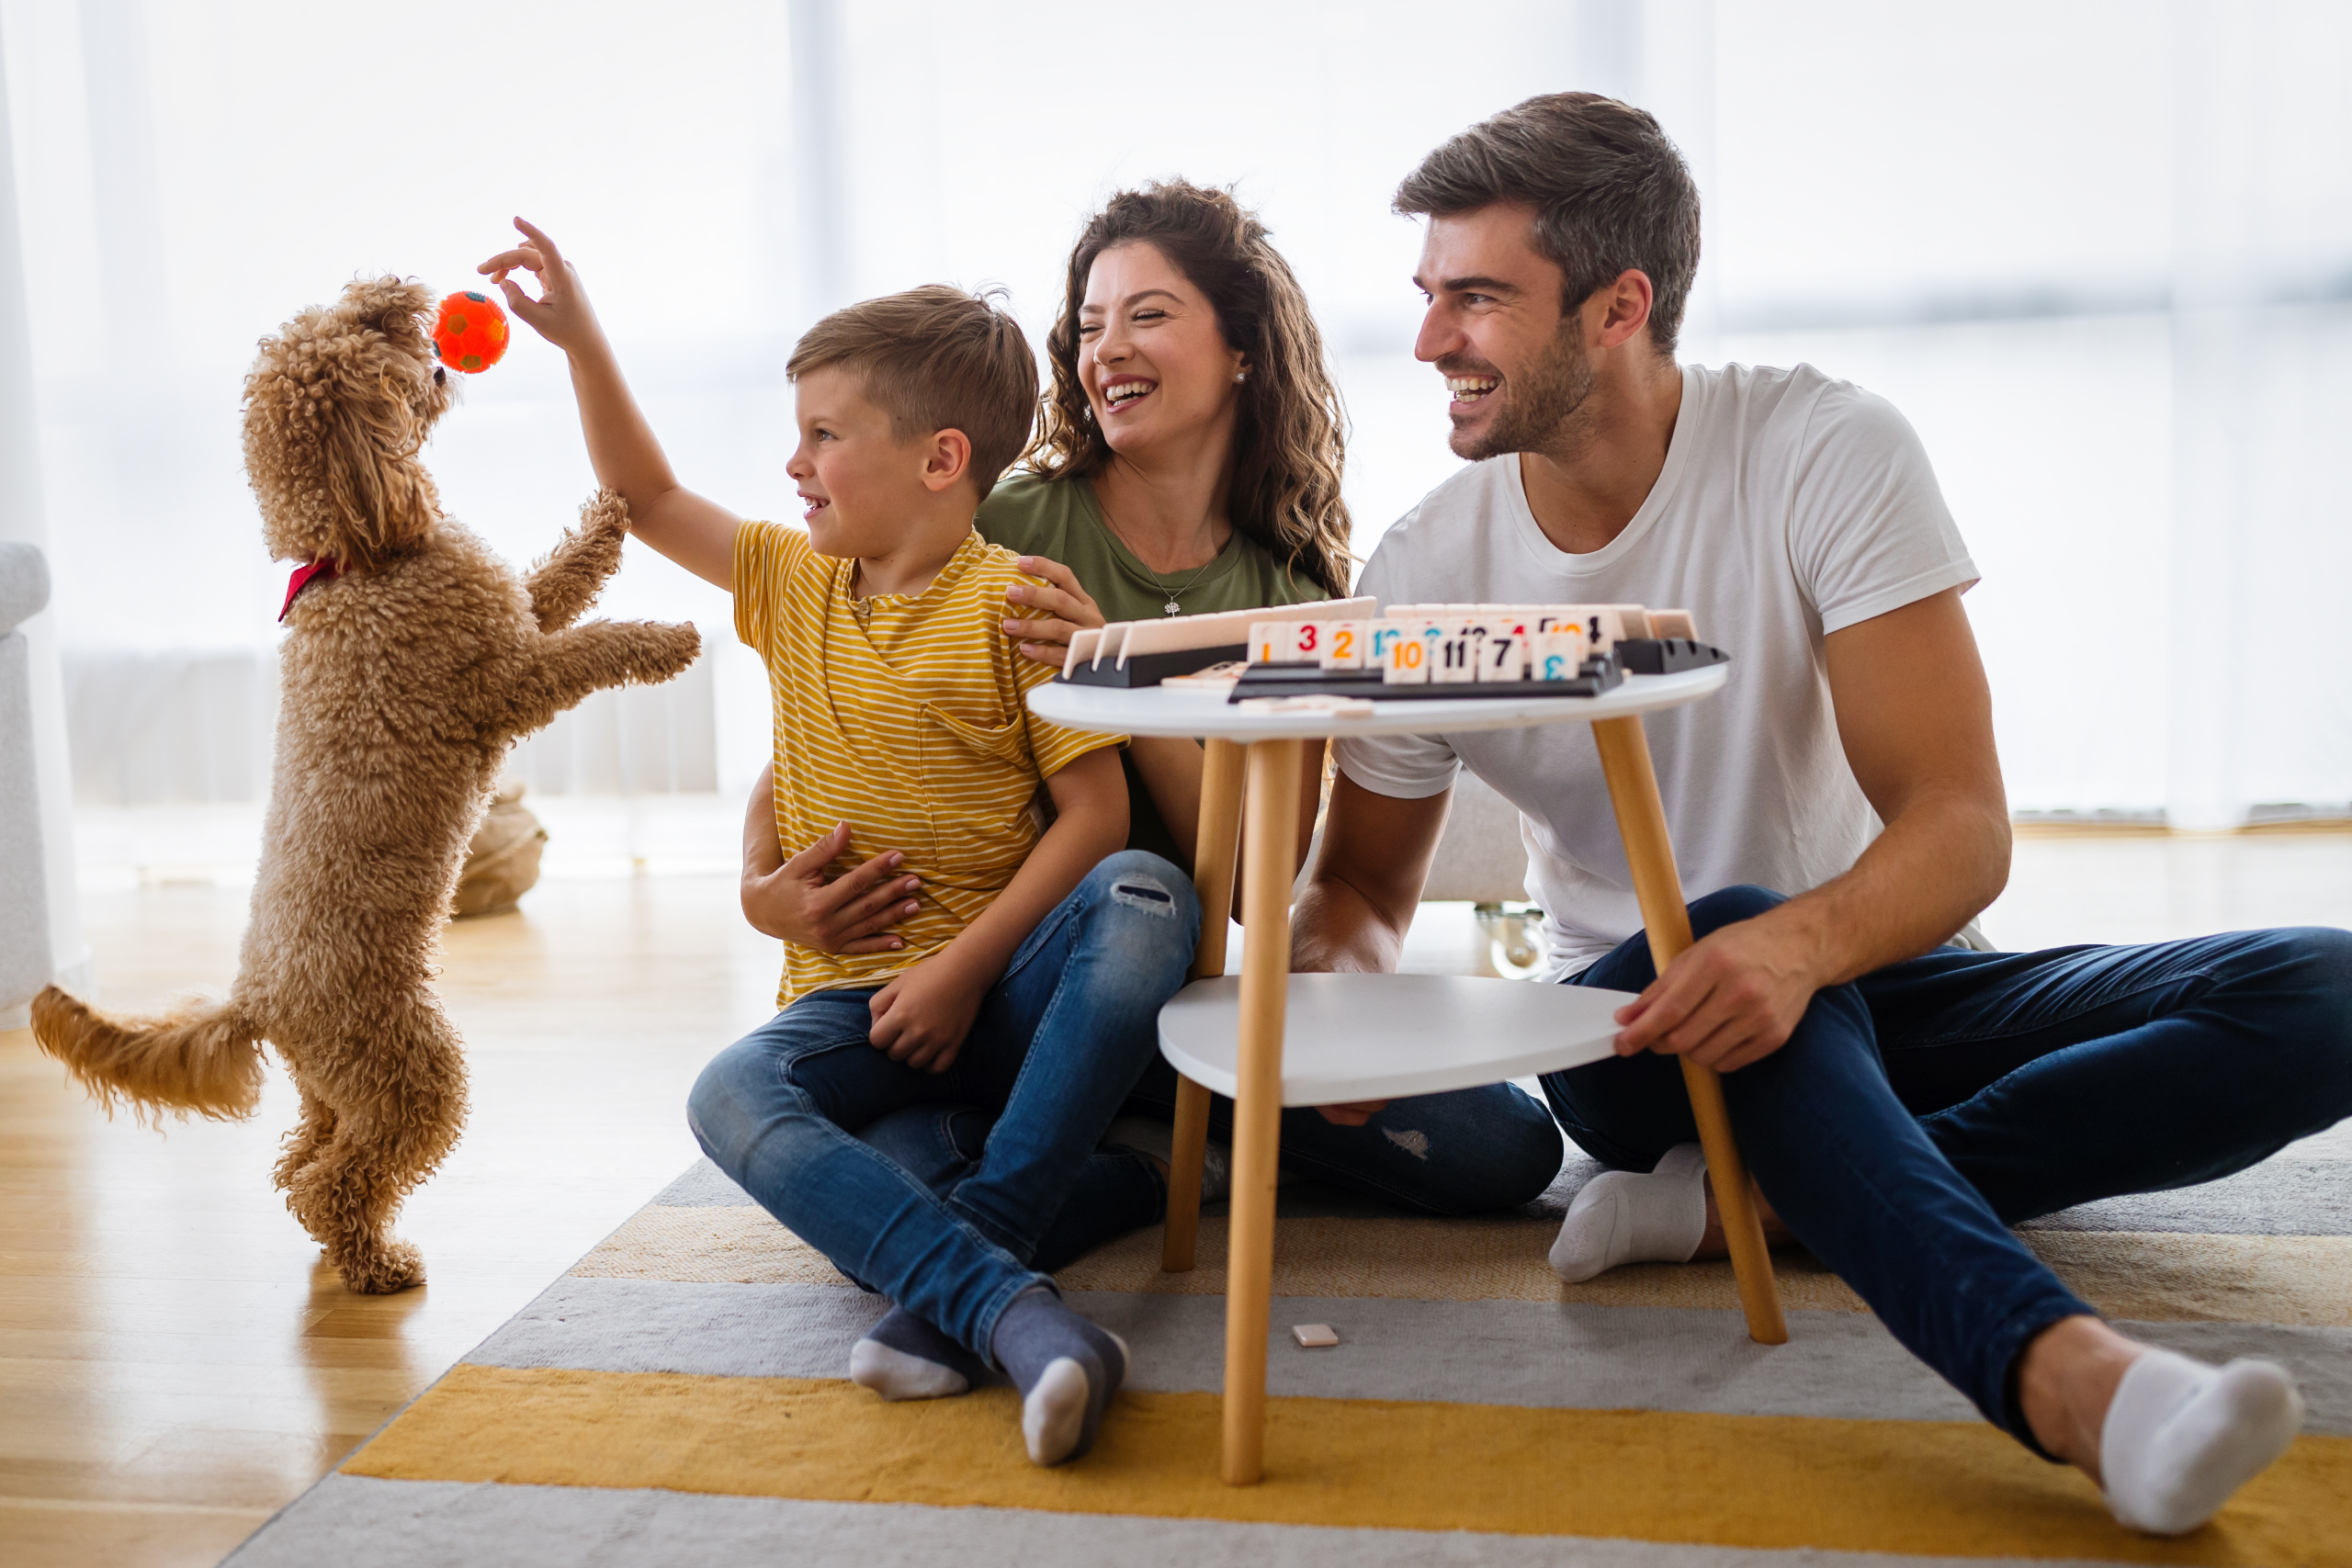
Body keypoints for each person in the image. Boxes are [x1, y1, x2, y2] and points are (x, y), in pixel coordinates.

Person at [1295, 94, 2349, 1535]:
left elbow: (1961, 822)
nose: (1429, 343)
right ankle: (2073, 1380)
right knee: (1721, 927)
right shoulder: (1424, 567)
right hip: (1634, 1037)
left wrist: (1802, 949)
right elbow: (1357, 889)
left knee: (2328, 990)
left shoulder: (1824, 447)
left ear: (1620, 304)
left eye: (1475, 299)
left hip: (1889, 973)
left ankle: (1757, 1206)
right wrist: (1337, 1002)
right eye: (1428, 296)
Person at [481, 220, 1201, 1468]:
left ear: (939, 458)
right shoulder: (790, 584)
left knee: (1146, 892)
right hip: (857, 1011)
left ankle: (988, 1241)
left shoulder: (1012, 601)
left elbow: (1096, 816)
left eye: (824, 433)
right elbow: (645, 497)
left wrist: (967, 968)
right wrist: (578, 334)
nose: (794, 460)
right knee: (731, 1094)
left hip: (1002, 986)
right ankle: (1037, 1284)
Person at [744, 180, 1567, 1228]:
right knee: (904, 1180)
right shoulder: (997, 523)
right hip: (1019, 984)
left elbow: (1257, 883)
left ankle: (1136, 1139)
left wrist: (1117, 674)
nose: (1107, 351)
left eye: (1148, 315)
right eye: (1090, 325)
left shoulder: (1293, 597)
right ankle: (1149, 1158)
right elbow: (834, 710)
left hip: (1191, 983)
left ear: (1242, 350)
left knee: (1507, 1148)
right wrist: (756, 884)